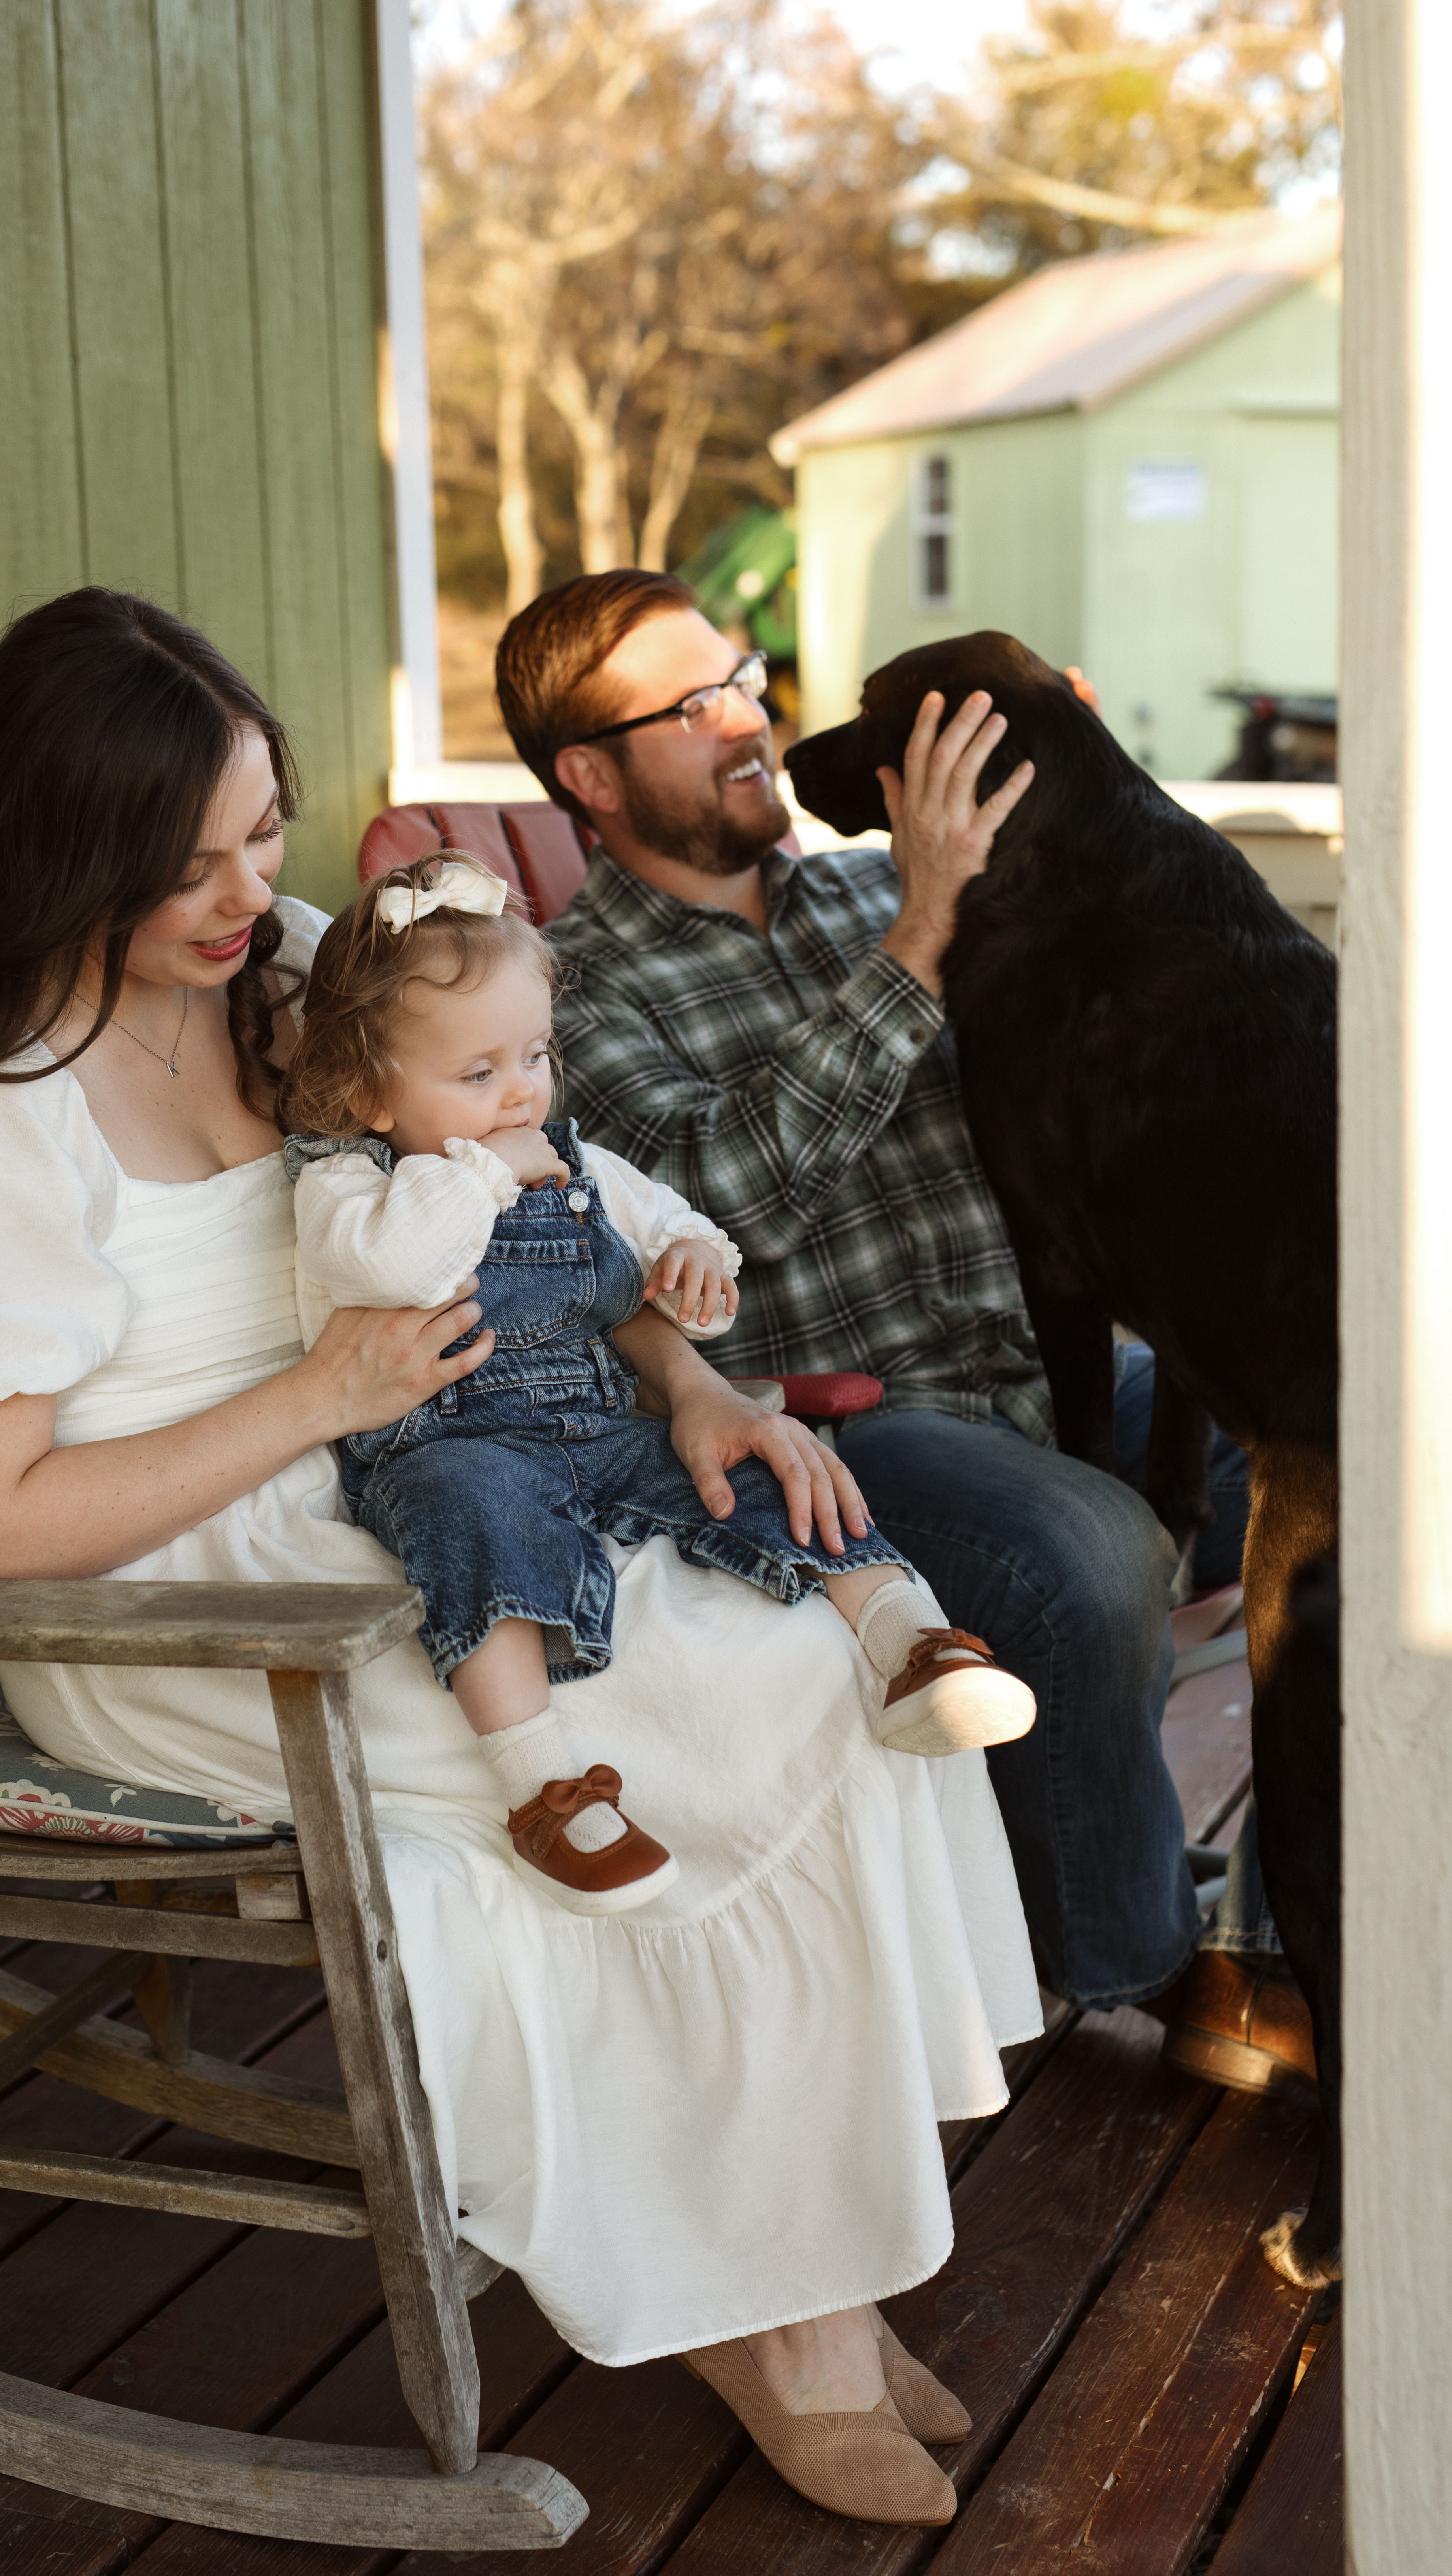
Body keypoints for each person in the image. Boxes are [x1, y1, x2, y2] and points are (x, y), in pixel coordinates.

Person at [0, 588, 1045, 2531]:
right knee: (678, 1703)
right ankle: (770, 2321)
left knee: (797, 1652)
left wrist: (695, 1382)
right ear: (68, 845)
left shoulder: (298, 975)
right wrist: (320, 1392)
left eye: (262, 827)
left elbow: (524, 1191)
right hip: (170, 1593)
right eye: (197, 858)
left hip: (426, 1470)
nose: (253, 889)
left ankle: (805, 2260)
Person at [497, 569, 1299, 2069]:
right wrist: (921, 937)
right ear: (587, 778)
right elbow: (697, 1211)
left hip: (1060, 1378)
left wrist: (1073, 774)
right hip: (852, 1430)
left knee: (1376, 1460)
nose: (747, 724)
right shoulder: (565, 990)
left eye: (740, 678)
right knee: (1087, 1555)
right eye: (691, 708)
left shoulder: (882, 880)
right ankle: (1143, 1971)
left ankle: (1285, 1922)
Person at [280, 851, 1036, 1913]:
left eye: (535, 1054)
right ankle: (543, 1786)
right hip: (449, 1446)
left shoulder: (570, 1159)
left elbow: (676, 1229)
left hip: (599, 1423)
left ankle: (909, 1645)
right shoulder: (347, 1189)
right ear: (365, 1093)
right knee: (469, 1527)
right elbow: (402, 1267)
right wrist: (490, 1172)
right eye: (478, 1073)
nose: (521, 1093)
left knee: (767, 1479)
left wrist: (692, 1270)